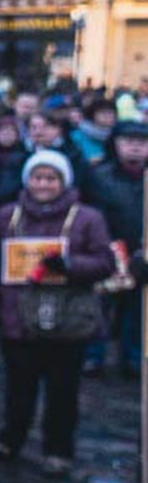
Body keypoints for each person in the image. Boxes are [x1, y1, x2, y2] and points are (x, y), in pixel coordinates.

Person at [0, 150, 113, 476]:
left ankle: (58, 449)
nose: (44, 184)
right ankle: (10, 439)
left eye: (51, 178)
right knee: (17, 386)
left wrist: (70, 265)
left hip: (66, 317)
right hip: (17, 315)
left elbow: (105, 262)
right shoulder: (8, 215)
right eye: (38, 177)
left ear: (63, 181)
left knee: (62, 389)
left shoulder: (87, 218)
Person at [83, 120, 148, 377]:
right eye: (128, 142)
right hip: (109, 248)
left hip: (143, 252)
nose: (135, 148)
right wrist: (109, 249)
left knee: (138, 309)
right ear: (116, 144)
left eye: (141, 143)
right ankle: (93, 356)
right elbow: (93, 213)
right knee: (101, 306)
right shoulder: (100, 175)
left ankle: (133, 357)